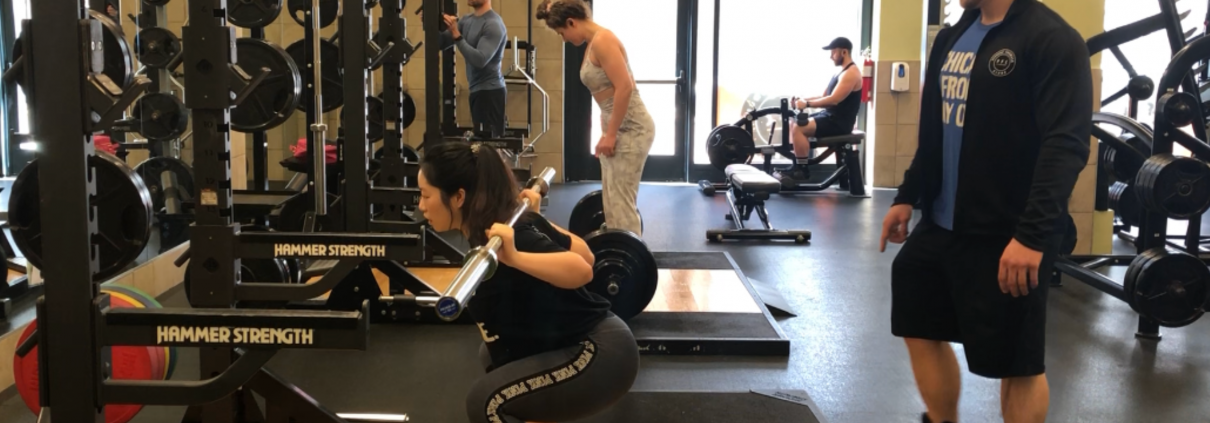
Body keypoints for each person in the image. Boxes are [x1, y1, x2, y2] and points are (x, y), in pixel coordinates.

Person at [879, 0, 1091, 422]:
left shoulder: (1052, 39)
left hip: (1009, 232)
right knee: (916, 322)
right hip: (942, 224)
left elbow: (1065, 145)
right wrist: (908, 194)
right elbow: (935, 129)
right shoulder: (953, 35)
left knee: (1018, 360)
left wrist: (1031, 236)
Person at [417, 142, 639, 423]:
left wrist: (517, 257)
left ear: (459, 197)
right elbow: (586, 253)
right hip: (585, 342)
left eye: (425, 195)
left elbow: (584, 267)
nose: (421, 205)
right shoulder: (500, 227)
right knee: (494, 354)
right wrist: (536, 218)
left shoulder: (513, 236)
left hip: (599, 353)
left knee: (486, 403)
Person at [537, 0, 654, 237]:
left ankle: (629, 265)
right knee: (612, 200)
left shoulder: (603, 40)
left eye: (562, 32)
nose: (564, 39)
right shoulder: (593, 44)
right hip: (617, 128)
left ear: (571, 22)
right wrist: (607, 131)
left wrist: (610, 134)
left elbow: (625, 88)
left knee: (621, 202)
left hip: (632, 129)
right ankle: (614, 244)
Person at [778, 37, 863, 186]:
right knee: (795, 121)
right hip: (830, 116)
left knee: (800, 126)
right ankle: (798, 165)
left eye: (833, 52)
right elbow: (824, 96)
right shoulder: (840, 73)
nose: (831, 56)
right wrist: (802, 99)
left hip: (840, 122)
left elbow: (834, 100)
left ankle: (802, 170)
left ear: (844, 52)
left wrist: (807, 104)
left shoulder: (851, 73)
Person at [427, 0, 508, 136]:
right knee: (480, 144)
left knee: (489, 147)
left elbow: (480, 60)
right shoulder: (467, 20)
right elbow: (440, 43)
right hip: (477, 90)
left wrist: (456, 35)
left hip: (490, 92)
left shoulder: (493, 24)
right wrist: (430, 23)